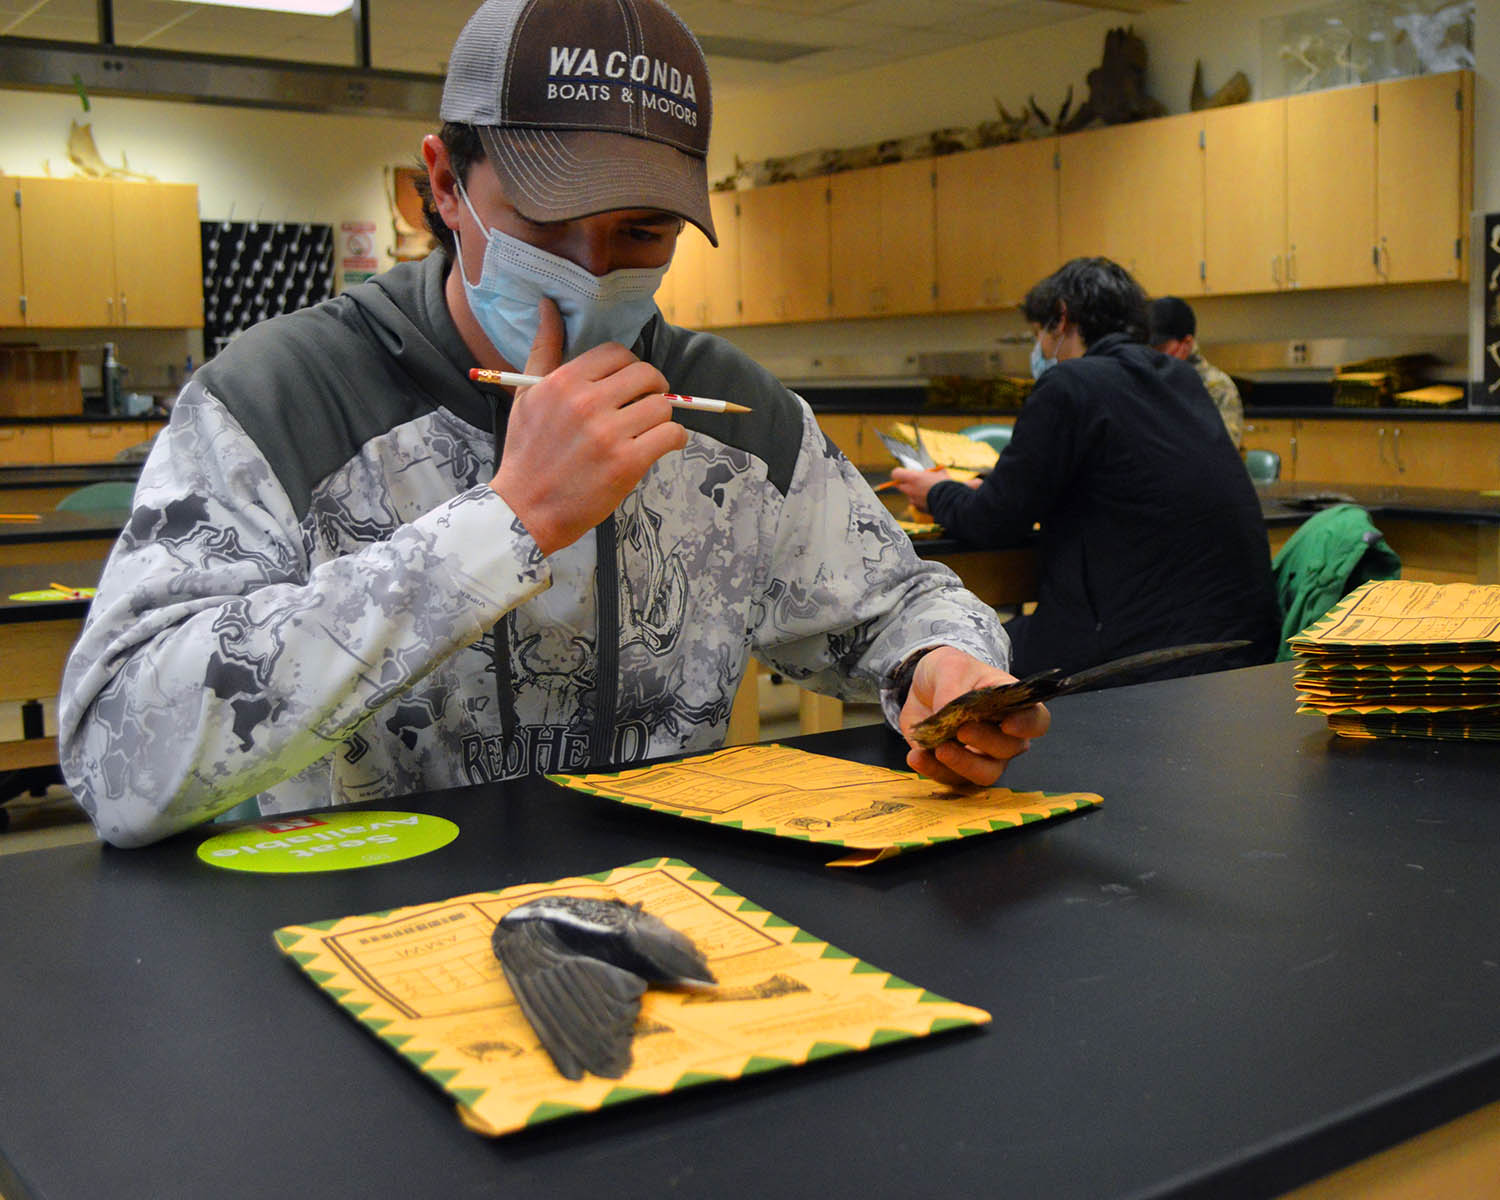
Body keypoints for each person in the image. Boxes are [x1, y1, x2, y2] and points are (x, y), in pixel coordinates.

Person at [57, 0, 1047, 849]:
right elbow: (118, 762)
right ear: (444, 185)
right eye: (543, 223)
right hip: (355, 951)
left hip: (671, 944)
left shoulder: (738, 420)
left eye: (639, 232)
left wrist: (944, 665)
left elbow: (893, 606)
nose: (589, 270)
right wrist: (508, 519)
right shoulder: (277, 399)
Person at [892, 257, 1279, 681]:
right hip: (1240, 645)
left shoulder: (1069, 385)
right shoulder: (1181, 380)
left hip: (1145, 656)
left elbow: (994, 520)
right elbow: (1113, 481)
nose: (1038, 348)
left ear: (1061, 318)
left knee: (940, 667)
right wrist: (980, 486)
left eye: (1038, 333)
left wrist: (935, 492)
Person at [1147, 295, 1244, 450]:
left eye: (1161, 349)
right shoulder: (1148, 378)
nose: (1153, 356)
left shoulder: (1217, 387)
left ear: (1186, 344)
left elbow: (1225, 452)